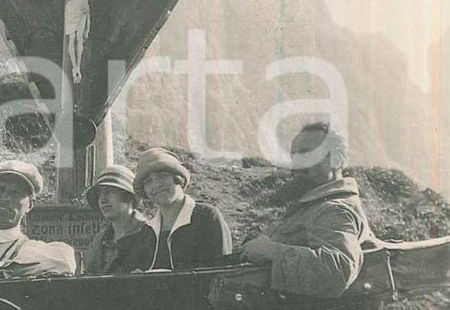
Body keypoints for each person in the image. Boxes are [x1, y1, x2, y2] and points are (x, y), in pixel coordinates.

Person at [241, 122, 376, 297]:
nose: (295, 164)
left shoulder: (334, 210)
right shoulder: (316, 204)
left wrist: (271, 251)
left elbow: (337, 271)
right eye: (293, 156)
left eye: (306, 154)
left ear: (337, 159)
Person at [112, 147, 232, 272]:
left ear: (179, 179)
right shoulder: (147, 232)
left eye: (163, 176)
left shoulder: (206, 217)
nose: (156, 185)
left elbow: (221, 273)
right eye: (148, 181)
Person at [0, 160, 76, 280]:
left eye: (16, 193)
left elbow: (65, 262)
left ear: (30, 205)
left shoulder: (31, 251)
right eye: (0, 190)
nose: (6, 198)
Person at [82, 165, 148, 275]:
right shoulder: (99, 241)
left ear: (130, 196)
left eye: (111, 191)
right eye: (100, 194)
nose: (103, 200)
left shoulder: (149, 234)